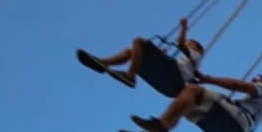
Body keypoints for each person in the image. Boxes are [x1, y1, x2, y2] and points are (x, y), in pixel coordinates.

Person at [117, 72, 262, 132]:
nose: (252, 80)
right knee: (187, 104)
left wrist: (208, 79)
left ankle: (158, 130)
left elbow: (238, 85)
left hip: (238, 119)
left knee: (193, 90)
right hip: (237, 128)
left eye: (256, 78)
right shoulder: (261, 105)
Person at [76, 18, 204, 91]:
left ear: (197, 48)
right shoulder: (189, 65)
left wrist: (184, 27)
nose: (187, 45)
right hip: (167, 82)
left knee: (139, 42)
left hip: (171, 76)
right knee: (131, 52)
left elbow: (180, 44)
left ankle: (130, 76)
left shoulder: (196, 56)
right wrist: (162, 56)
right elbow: (186, 73)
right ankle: (103, 63)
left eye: (190, 43)